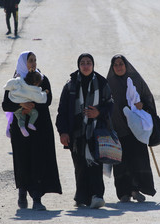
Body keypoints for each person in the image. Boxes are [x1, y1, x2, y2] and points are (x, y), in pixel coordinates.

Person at [2, 51, 62, 210]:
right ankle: (22, 193)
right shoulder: (15, 81)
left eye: (35, 60)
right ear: (23, 63)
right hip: (21, 129)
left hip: (39, 127)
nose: (33, 63)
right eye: (30, 60)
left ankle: (37, 198)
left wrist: (33, 104)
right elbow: (6, 105)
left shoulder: (41, 78)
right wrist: (22, 105)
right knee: (23, 160)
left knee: (39, 160)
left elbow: (48, 99)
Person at [56, 53, 113, 209]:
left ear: (93, 65)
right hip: (76, 133)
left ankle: (97, 196)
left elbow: (110, 105)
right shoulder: (70, 85)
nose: (86, 65)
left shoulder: (102, 83)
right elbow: (62, 111)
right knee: (80, 165)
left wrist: (98, 112)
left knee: (95, 165)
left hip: (96, 132)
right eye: (83, 63)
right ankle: (82, 196)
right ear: (78, 65)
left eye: (89, 62)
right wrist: (63, 132)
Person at [107, 54, 157, 203]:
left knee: (137, 159)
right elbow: (104, 104)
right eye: (115, 64)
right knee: (120, 162)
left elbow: (148, 98)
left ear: (126, 65)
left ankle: (136, 189)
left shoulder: (136, 80)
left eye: (121, 64)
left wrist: (143, 105)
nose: (119, 67)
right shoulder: (108, 83)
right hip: (117, 128)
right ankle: (124, 192)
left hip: (136, 130)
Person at [4, 71, 49, 137]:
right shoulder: (32, 89)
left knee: (20, 118)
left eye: (35, 60)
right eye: (31, 61)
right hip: (20, 132)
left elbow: (10, 85)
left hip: (17, 110)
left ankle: (22, 127)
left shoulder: (18, 82)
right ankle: (30, 123)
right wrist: (45, 92)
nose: (34, 64)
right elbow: (40, 97)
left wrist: (16, 78)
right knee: (35, 113)